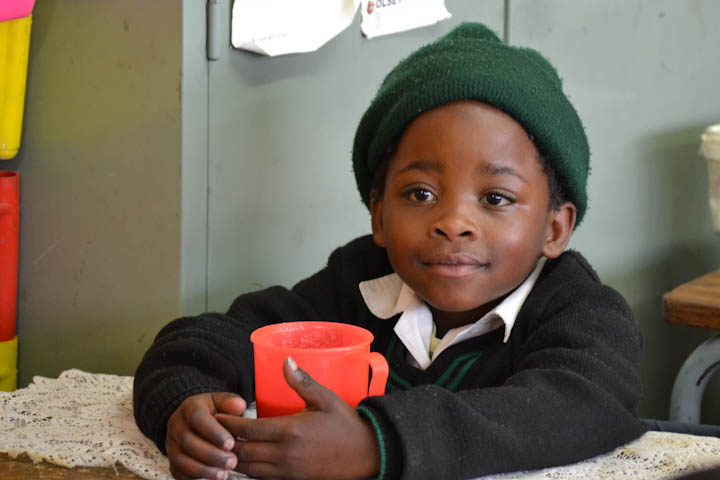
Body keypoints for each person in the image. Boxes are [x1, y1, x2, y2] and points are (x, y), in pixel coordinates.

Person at [133, 22, 647, 480]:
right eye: (420, 194)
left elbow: (578, 409)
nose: (453, 223)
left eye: (495, 198)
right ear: (378, 213)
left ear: (555, 228)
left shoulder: (582, 312)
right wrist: (185, 406)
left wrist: (374, 444)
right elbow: (210, 340)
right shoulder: (359, 283)